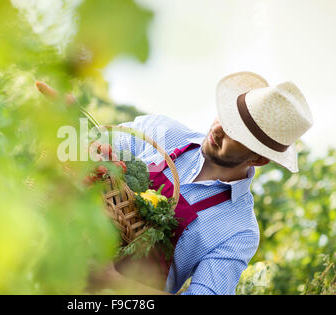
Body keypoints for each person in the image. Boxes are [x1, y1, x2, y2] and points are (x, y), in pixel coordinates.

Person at [37, 71, 314, 295]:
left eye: (234, 133)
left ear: (258, 159)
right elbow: (96, 148)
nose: (218, 130)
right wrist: (75, 123)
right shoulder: (161, 131)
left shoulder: (239, 230)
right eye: (226, 118)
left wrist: (111, 280)